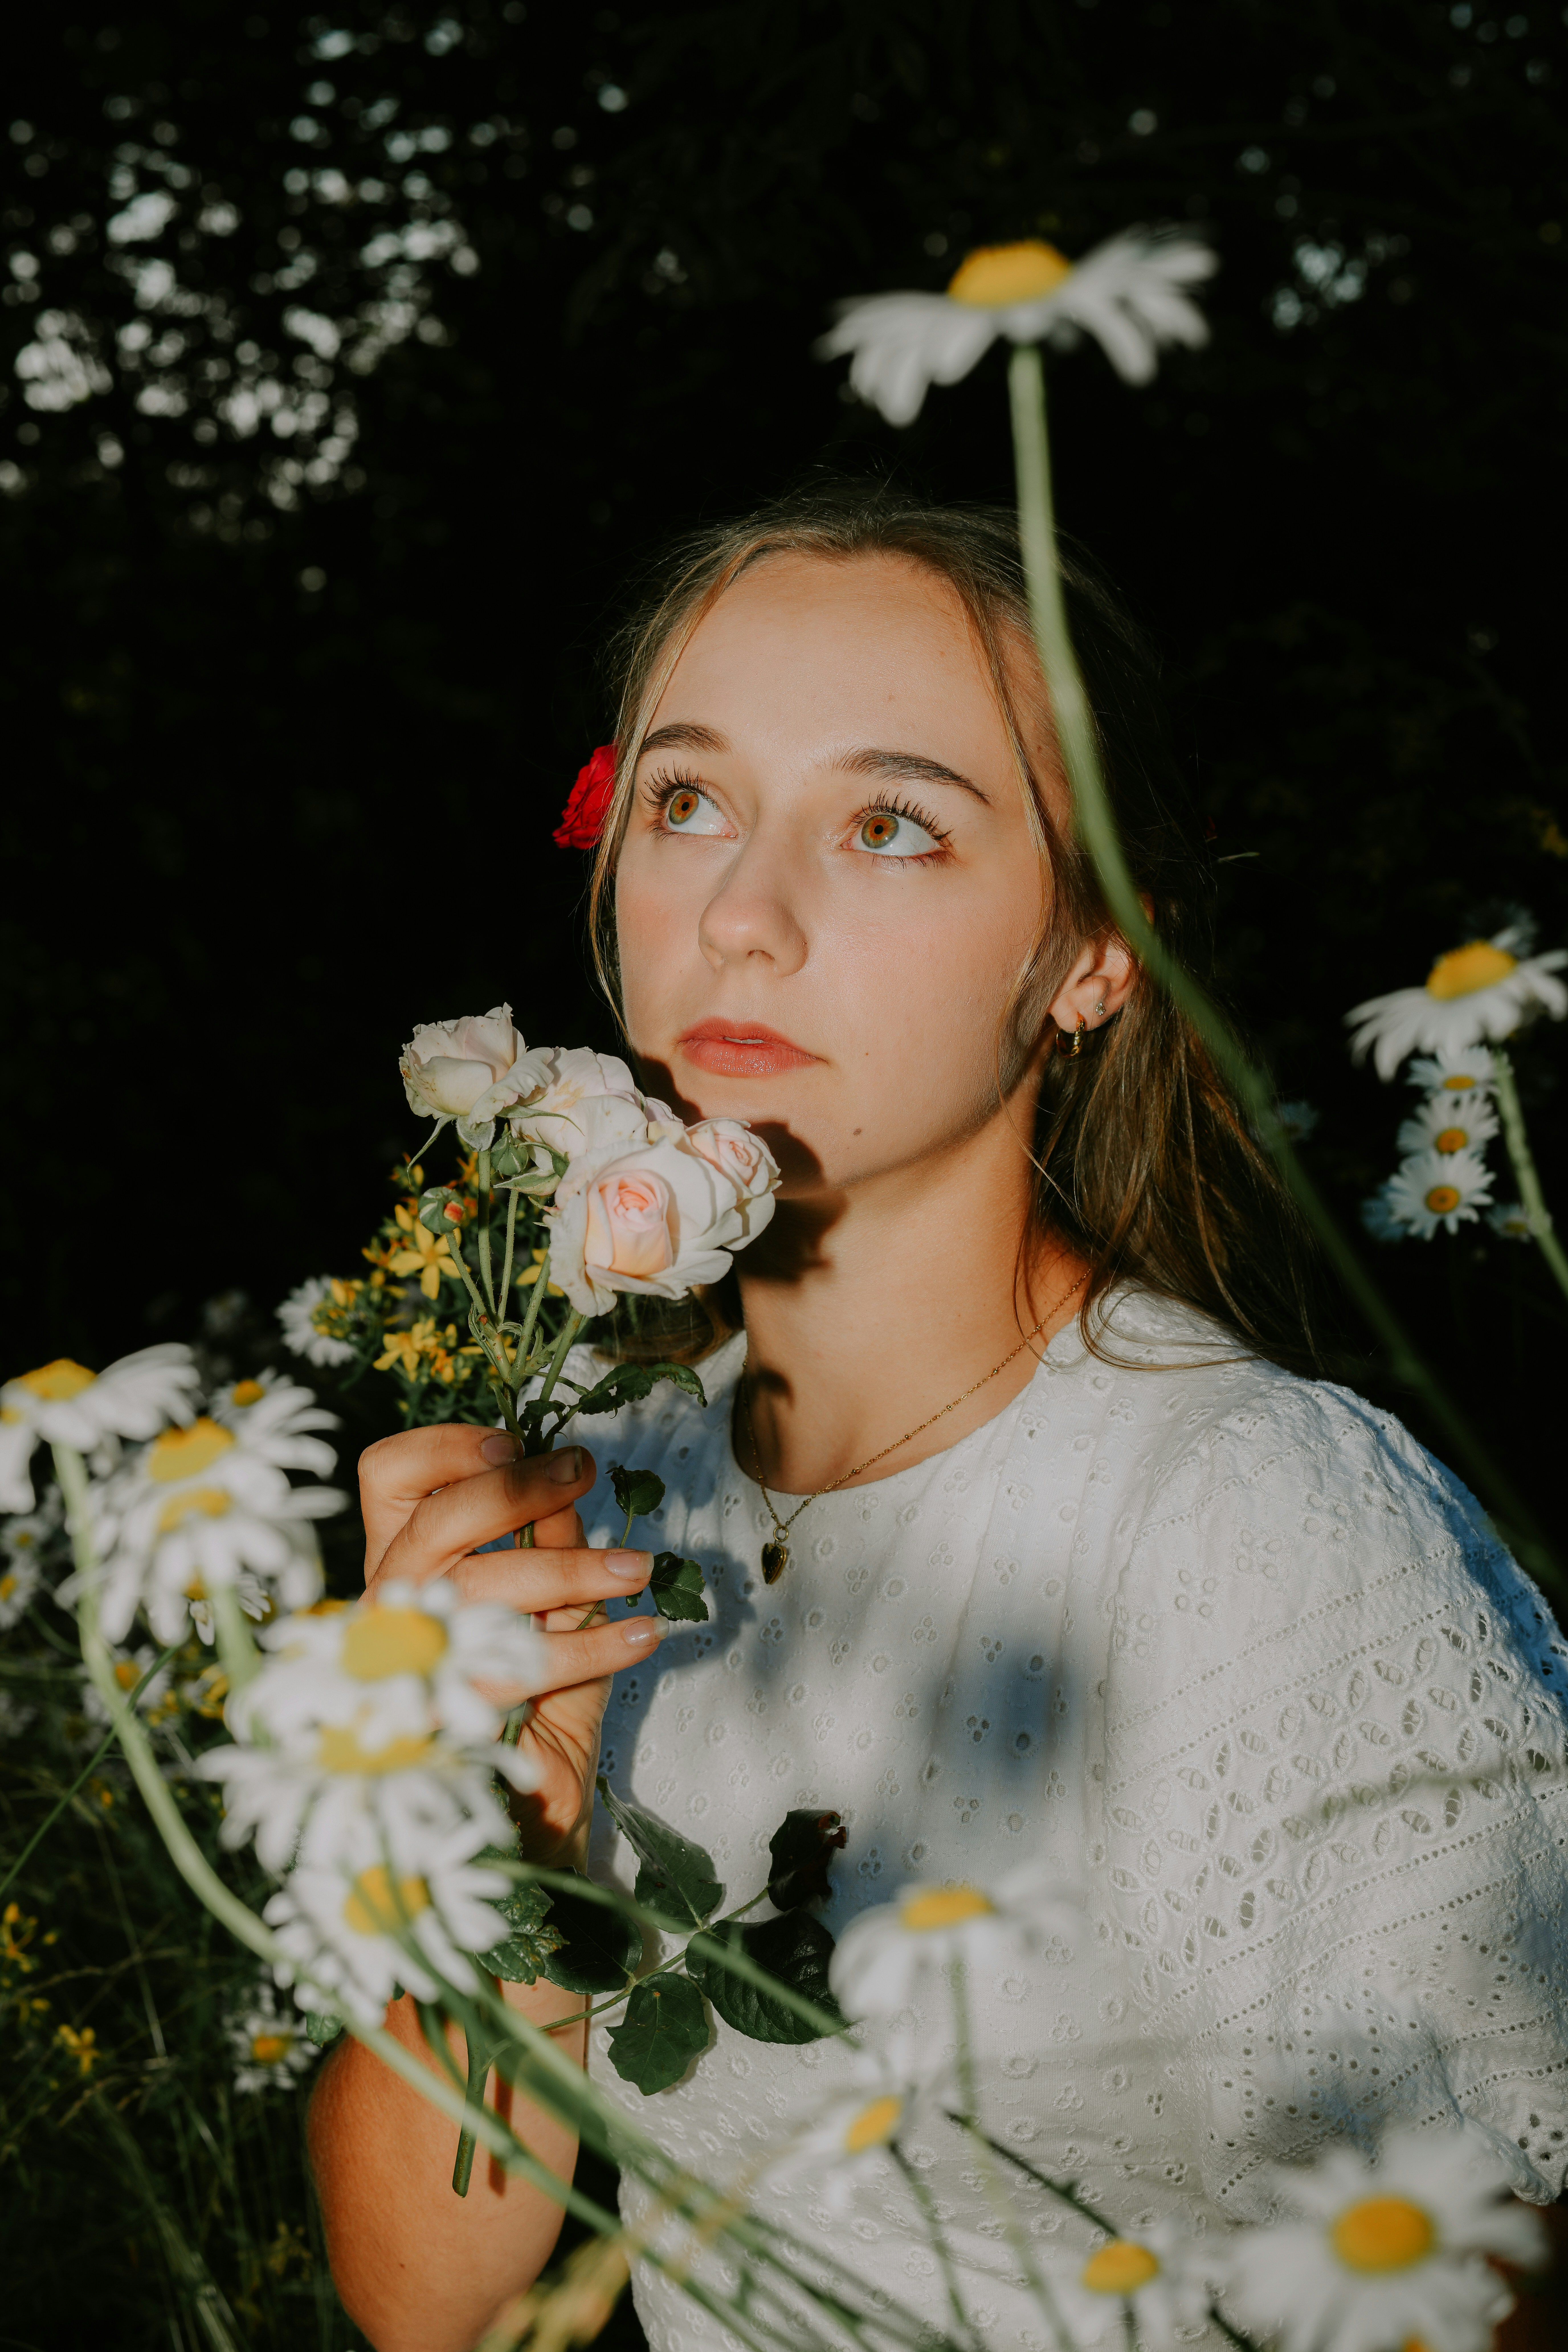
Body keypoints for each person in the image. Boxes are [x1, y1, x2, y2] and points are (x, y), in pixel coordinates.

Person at [309, 487, 1568, 2352]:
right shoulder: (595, 1479)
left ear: (1094, 950)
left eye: (891, 825)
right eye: (691, 801)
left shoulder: (1245, 1523)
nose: (742, 914)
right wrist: (507, 1844)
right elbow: (429, 2303)